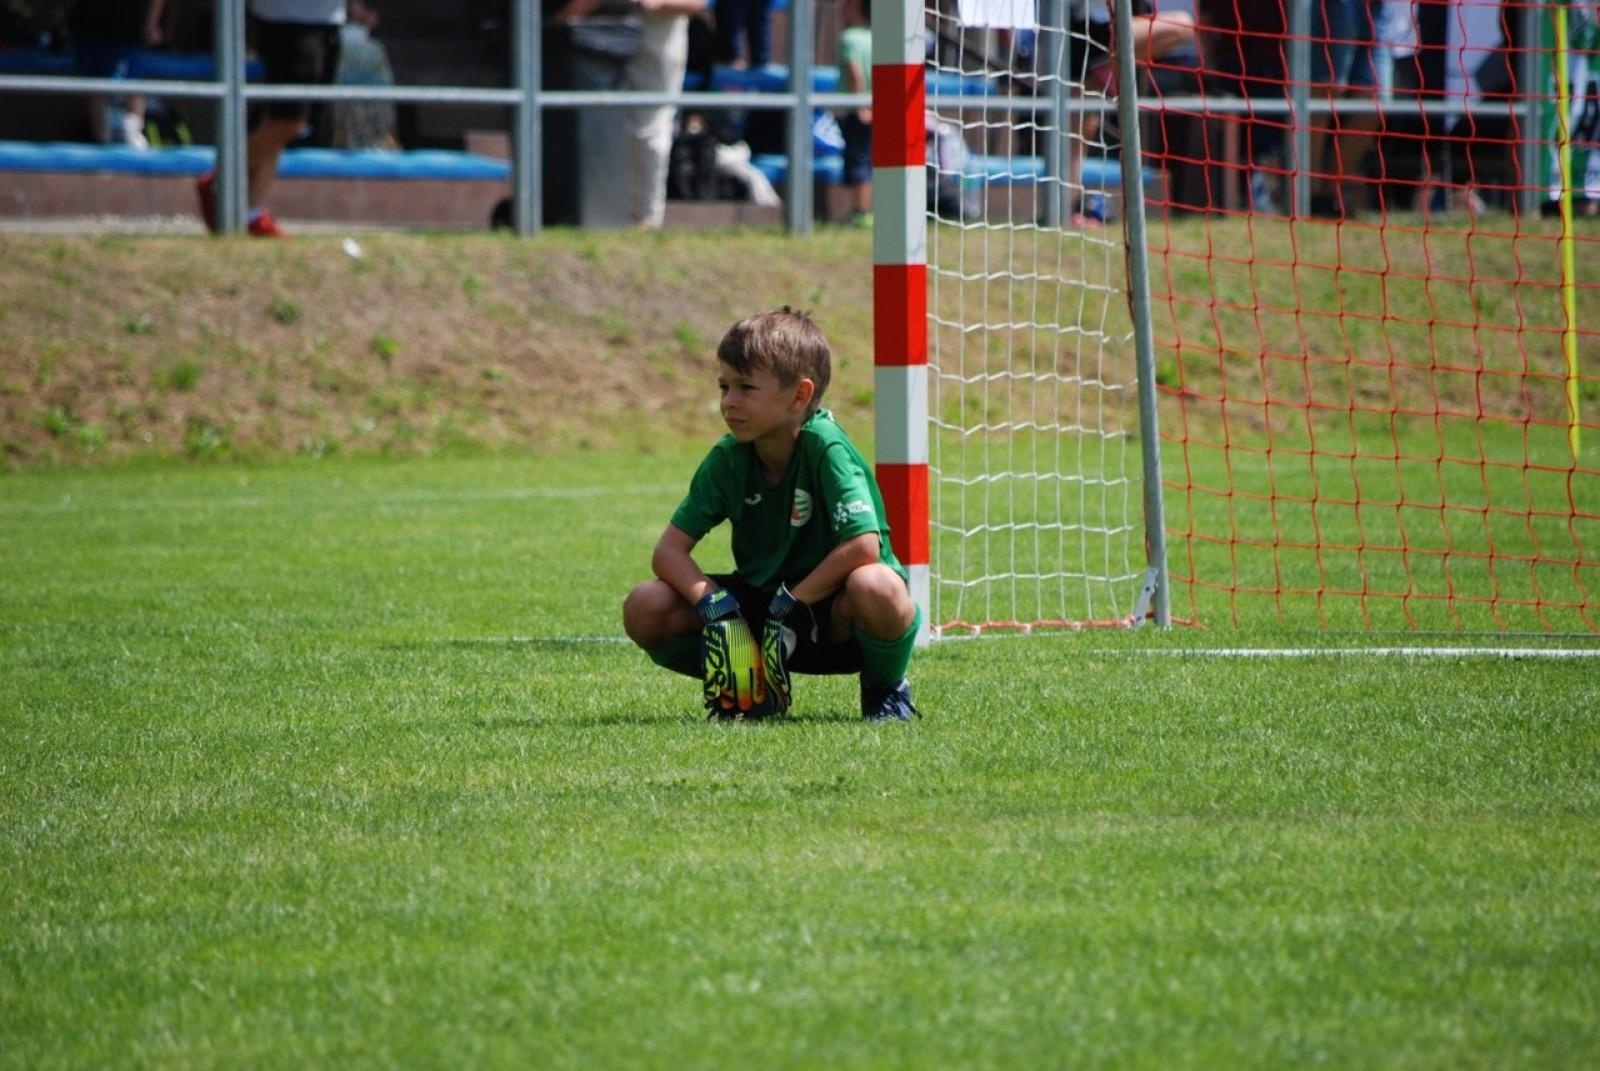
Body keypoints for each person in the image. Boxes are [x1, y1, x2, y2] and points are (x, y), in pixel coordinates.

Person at [622, 307, 922, 722]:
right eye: (724, 386)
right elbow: (668, 552)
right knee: (645, 604)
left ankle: (885, 689)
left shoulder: (826, 448)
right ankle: (749, 688)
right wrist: (714, 605)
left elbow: (863, 546)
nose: (729, 402)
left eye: (746, 387)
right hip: (764, 617)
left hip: (834, 616)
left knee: (878, 586)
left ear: (799, 396)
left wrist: (794, 601)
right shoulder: (728, 458)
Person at [554, 0, 709, 229]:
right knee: (599, 125)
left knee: (647, 132)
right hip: (602, 34)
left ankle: (645, 220)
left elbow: (697, 4)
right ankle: (597, 214)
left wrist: (658, 2)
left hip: (657, 43)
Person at [195, 0, 346, 237]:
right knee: (287, 122)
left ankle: (251, 213)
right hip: (288, 19)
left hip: (328, 19)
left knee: (284, 124)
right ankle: (220, 180)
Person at [1062, 0, 1195, 225]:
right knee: (1183, 25)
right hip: (1085, 32)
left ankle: (1068, 208)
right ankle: (1067, 208)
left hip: (1097, 35)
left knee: (1083, 120)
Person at [70, 0, 169, 149]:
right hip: (91, 27)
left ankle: (132, 135)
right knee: (96, 85)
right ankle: (103, 148)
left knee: (132, 83)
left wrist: (151, 22)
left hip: (126, 29)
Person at [838, 0, 873, 226]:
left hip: (859, 110)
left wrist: (861, 106)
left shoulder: (849, 38)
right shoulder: (877, 37)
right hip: (877, 108)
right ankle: (864, 211)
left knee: (858, 161)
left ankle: (860, 212)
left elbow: (854, 72)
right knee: (869, 161)